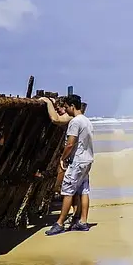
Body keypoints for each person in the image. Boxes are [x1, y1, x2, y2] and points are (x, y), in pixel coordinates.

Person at [45, 94, 94, 235]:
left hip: (77, 161)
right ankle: (83, 222)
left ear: (72, 106)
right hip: (88, 160)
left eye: (66, 107)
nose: (66, 110)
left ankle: (59, 223)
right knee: (84, 190)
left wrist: (62, 158)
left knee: (67, 191)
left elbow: (70, 143)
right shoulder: (86, 120)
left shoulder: (75, 122)